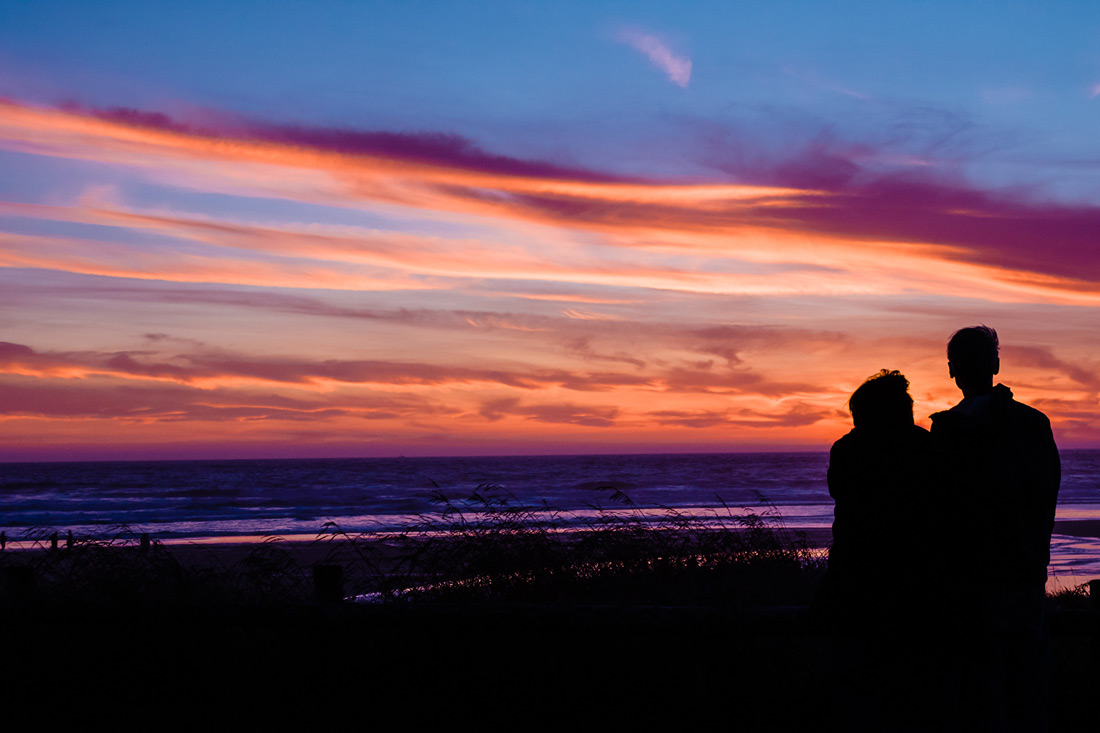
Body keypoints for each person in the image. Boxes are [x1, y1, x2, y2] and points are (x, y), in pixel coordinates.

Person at [930, 325, 1060, 733]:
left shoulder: (946, 432)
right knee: (1025, 687)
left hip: (965, 580)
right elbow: (1046, 496)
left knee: (974, 691)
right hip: (1021, 570)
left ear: (952, 370)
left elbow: (937, 508)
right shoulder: (1033, 424)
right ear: (996, 365)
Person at [820, 369, 943, 731]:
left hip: (859, 584)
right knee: (913, 695)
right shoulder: (925, 446)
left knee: (861, 692)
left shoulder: (847, 449)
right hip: (915, 586)